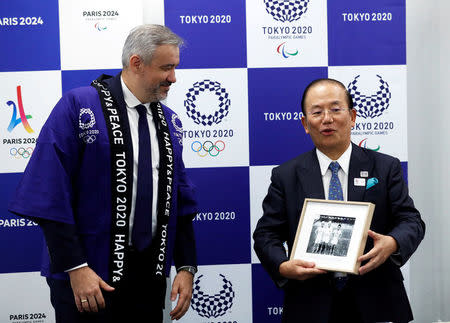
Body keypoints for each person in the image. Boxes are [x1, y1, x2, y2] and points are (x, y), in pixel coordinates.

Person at [8, 24, 197, 323]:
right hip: (88, 277)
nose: (173, 78)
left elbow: (180, 202)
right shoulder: (80, 106)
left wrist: (186, 266)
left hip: (148, 278)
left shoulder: (170, 122)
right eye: (167, 68)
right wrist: (75, 268)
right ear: (136, 63)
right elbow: (48, 192)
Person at [253, 78, 425, 323]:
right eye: (317, 112)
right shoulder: (286, 175)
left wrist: (392, 242)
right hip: (310, 303)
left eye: (335, 109)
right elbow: (266, 234)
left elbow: (411, 221)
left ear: (352, 116)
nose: (327, 119)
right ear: (305, 123)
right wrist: (283, 266)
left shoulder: (386, 167)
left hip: (378, 299)